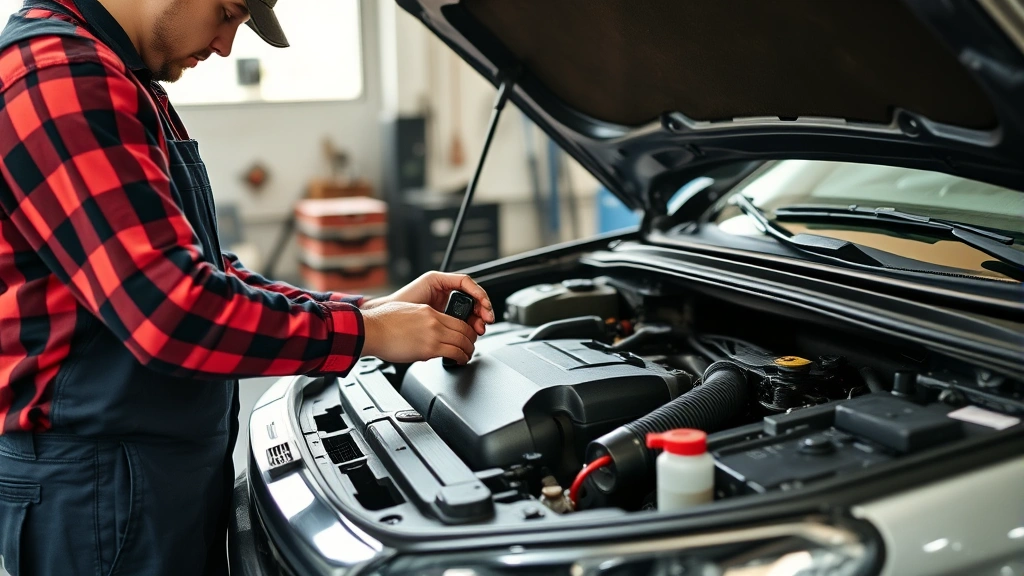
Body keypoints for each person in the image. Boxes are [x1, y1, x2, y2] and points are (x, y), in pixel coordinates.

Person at [0, 0, 494, 574]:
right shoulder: (60, 77)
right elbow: (172, 312)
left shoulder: (119, 75)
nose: (226, 45)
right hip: (100, 490)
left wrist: (372, 309)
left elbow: (206, 271)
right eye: (228, 12)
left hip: (141, 471)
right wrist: (365, 333)